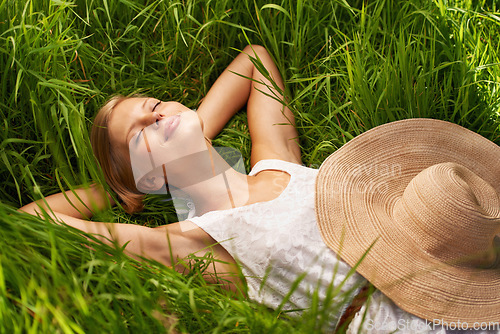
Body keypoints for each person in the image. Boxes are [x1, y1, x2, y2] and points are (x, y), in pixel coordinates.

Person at [19, 45, 500, 333]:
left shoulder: (277, 163)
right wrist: (123, 192)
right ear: (146, 177)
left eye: (155, 103)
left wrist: (185, 135)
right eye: (138, 132)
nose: (154, 113)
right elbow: (28, 223)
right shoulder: (192, 244)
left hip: (462, 279)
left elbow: (254, 62)